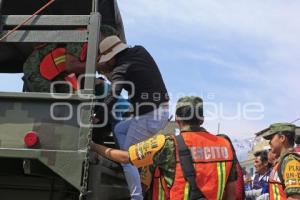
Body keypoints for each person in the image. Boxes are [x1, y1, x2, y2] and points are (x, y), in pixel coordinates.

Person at [92, 96, 237, 200]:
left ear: (177, 120)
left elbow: (125, 157)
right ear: (202, 119)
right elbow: (231, 194)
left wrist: (93, 145)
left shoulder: (166, 144)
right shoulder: (226, 146)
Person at [95, 35, 169, 199]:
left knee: (126, 159)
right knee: (120, 129)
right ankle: (131, 158)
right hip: (159, 110)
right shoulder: (140, 51)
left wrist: (97, 116)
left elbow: (114, 94)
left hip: (150, 115)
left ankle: (136, 196)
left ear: (112, 57)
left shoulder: (120, 68)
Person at [22, 25, 118, 93]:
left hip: (58, 73)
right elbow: (70, 66)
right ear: (100, 36)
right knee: (51, 104)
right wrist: (99, 66)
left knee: (70, 101)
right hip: (36, 68)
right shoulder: (82, 36)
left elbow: (108, 71)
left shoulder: (98, 51)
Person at [261, 123, 300, 200]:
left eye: (271, 138)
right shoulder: (281, 162)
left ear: (282, 138)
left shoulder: (290, 161)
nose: (269, 143)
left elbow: (295, 198)